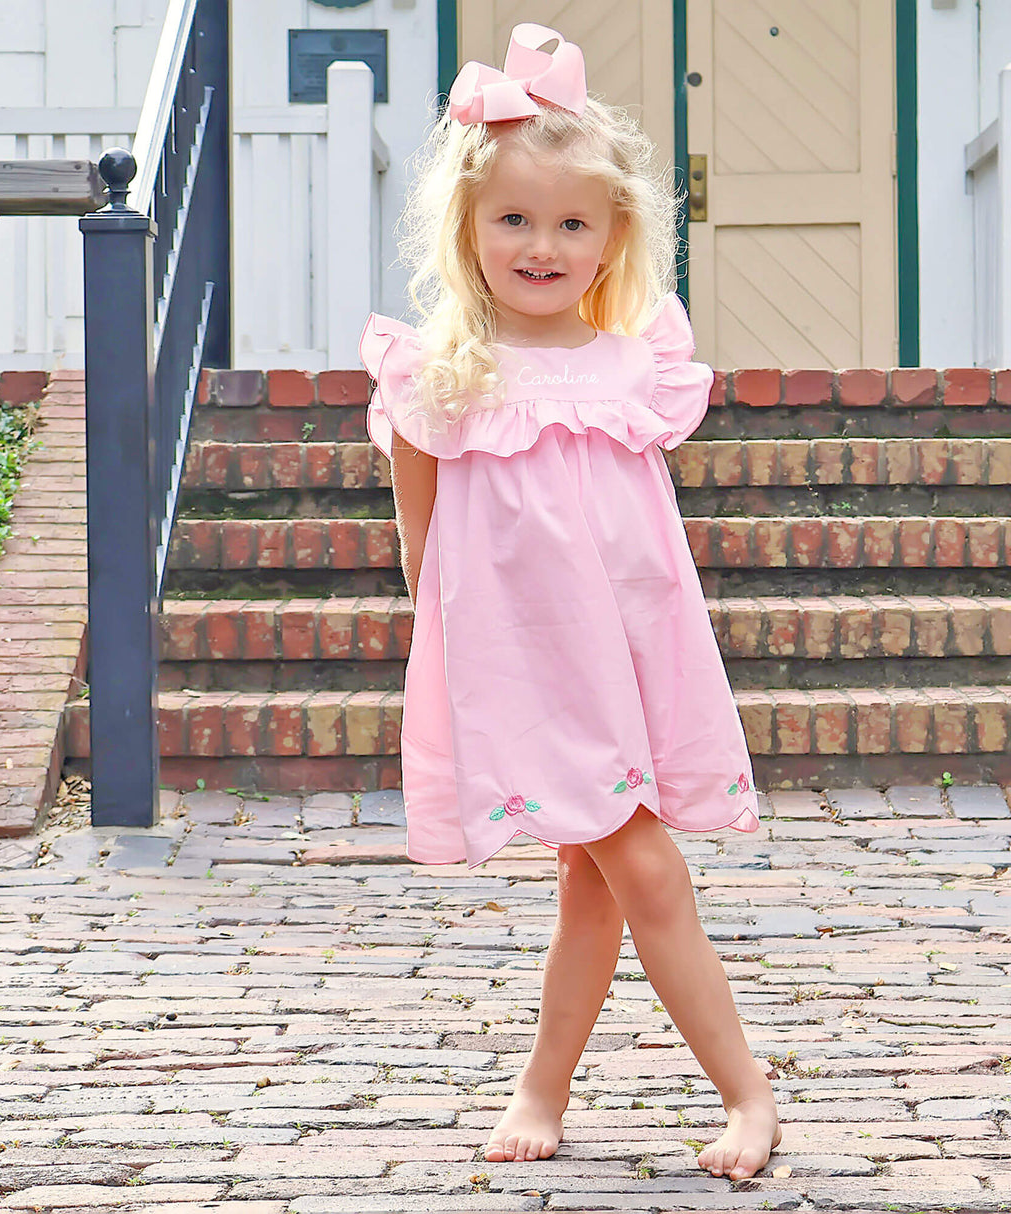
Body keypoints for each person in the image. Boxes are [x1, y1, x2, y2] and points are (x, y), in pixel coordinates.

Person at [358, 23, 782, 1183]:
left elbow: (633, 546)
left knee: (594, 880)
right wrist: (454, 667)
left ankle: (548, 1083)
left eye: (570, 223)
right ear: (467, 227)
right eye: (513, 219)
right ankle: (746, 1093)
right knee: (639, 866)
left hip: (627, 655)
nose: (541, 244)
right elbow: (424, 544)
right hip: (523, 663)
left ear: (609, 238)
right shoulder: (435, 374)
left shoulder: (631, 362)